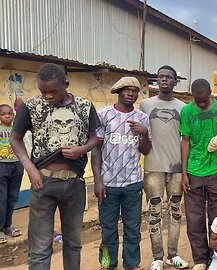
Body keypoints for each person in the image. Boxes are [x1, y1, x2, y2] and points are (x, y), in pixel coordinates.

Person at [10, 63, 99, 270]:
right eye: (43, 91)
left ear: (66, 84)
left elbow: (94, 138)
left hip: (74, 184)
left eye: (53, 91)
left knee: (73, 244)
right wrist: (31, 169)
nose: (48, 96)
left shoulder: (85, 107)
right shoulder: (31, 107)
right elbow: (15, 139)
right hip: (43, 183)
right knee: (40, 247)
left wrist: (81, 149)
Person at [92, 76, 151, 270]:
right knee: (108, 229)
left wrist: (143, 132)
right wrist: (98, 180)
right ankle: (107, 263)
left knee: (133, 229)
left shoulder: (142, 118)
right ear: (118, 92)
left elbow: (145, 150)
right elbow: (96, 149)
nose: (131, 93)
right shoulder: (104, 115)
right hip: (108, 184)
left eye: (134, 91)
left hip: (133, 183)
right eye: (127, 90)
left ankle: (132, 264)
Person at [139, 65, 189, 270]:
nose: (164, 80)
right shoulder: (145, 105)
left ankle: (173, 255)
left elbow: (186, 139)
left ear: (175, 81)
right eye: (160, 77)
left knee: (176, 213)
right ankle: (157, 257)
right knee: (155, 213)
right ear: (156, 80)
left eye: (169, 77)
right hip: (153, 168)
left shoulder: (184, 107)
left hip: (177, 168)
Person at [180, 78, 217, 270]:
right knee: (194, 219)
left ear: (211, 92)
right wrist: (184, 173)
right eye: (197, 101)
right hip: (193, 171)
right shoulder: (186, 111)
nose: (200, 104)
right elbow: (185, 141)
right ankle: (200, 259)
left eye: (204, 100)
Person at [0, 104, 24, 244]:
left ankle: (8, 226)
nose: (7, 116)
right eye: (3, 114)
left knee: (12, 197)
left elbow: (22, 144)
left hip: (16, 164)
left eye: (10, 113)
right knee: (1, 198)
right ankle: (0, 229)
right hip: (1, 164)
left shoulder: (17, 129)